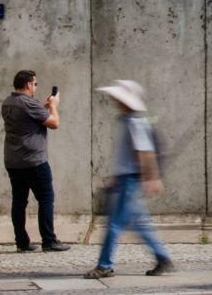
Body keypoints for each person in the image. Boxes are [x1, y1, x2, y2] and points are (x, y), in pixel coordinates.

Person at [84, 80, 173, 279]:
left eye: (117, 98)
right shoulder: (127, 120)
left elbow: (144, 152)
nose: (114, 100)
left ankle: (104, 265)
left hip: (130, 181)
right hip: (125, 180)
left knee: (114, 225)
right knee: (139, 223)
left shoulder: (134, 122)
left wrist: (152, 178)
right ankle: (163, 258)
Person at [1, 70, 70, 253]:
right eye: (35, 84)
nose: (36, 87)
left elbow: (27, 119)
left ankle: (21, 242)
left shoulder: (8, 102)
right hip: (34, 161)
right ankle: (49, 241)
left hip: (13, 160)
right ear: (28, 84)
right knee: (46, 199)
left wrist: (43, 107)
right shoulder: (28, 103)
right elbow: (54, 123)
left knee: (19, 201)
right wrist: (54, 106)